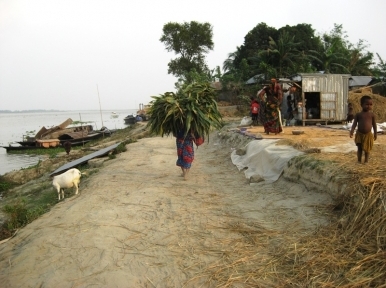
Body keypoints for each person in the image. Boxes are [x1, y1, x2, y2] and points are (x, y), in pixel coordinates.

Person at [350, 95, 377, 164]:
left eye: (370, 104)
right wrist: (352, 131)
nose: (369, 106)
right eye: (367, 104)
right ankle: (359, 160)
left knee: (367, 149)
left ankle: (366, 161)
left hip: (368, 134)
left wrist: (375, 133)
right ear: (361, 105)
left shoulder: (372, 115)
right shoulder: (358, 115)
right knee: (359, 148)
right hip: (359, 134)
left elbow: (374, 125)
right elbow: (354, 124)